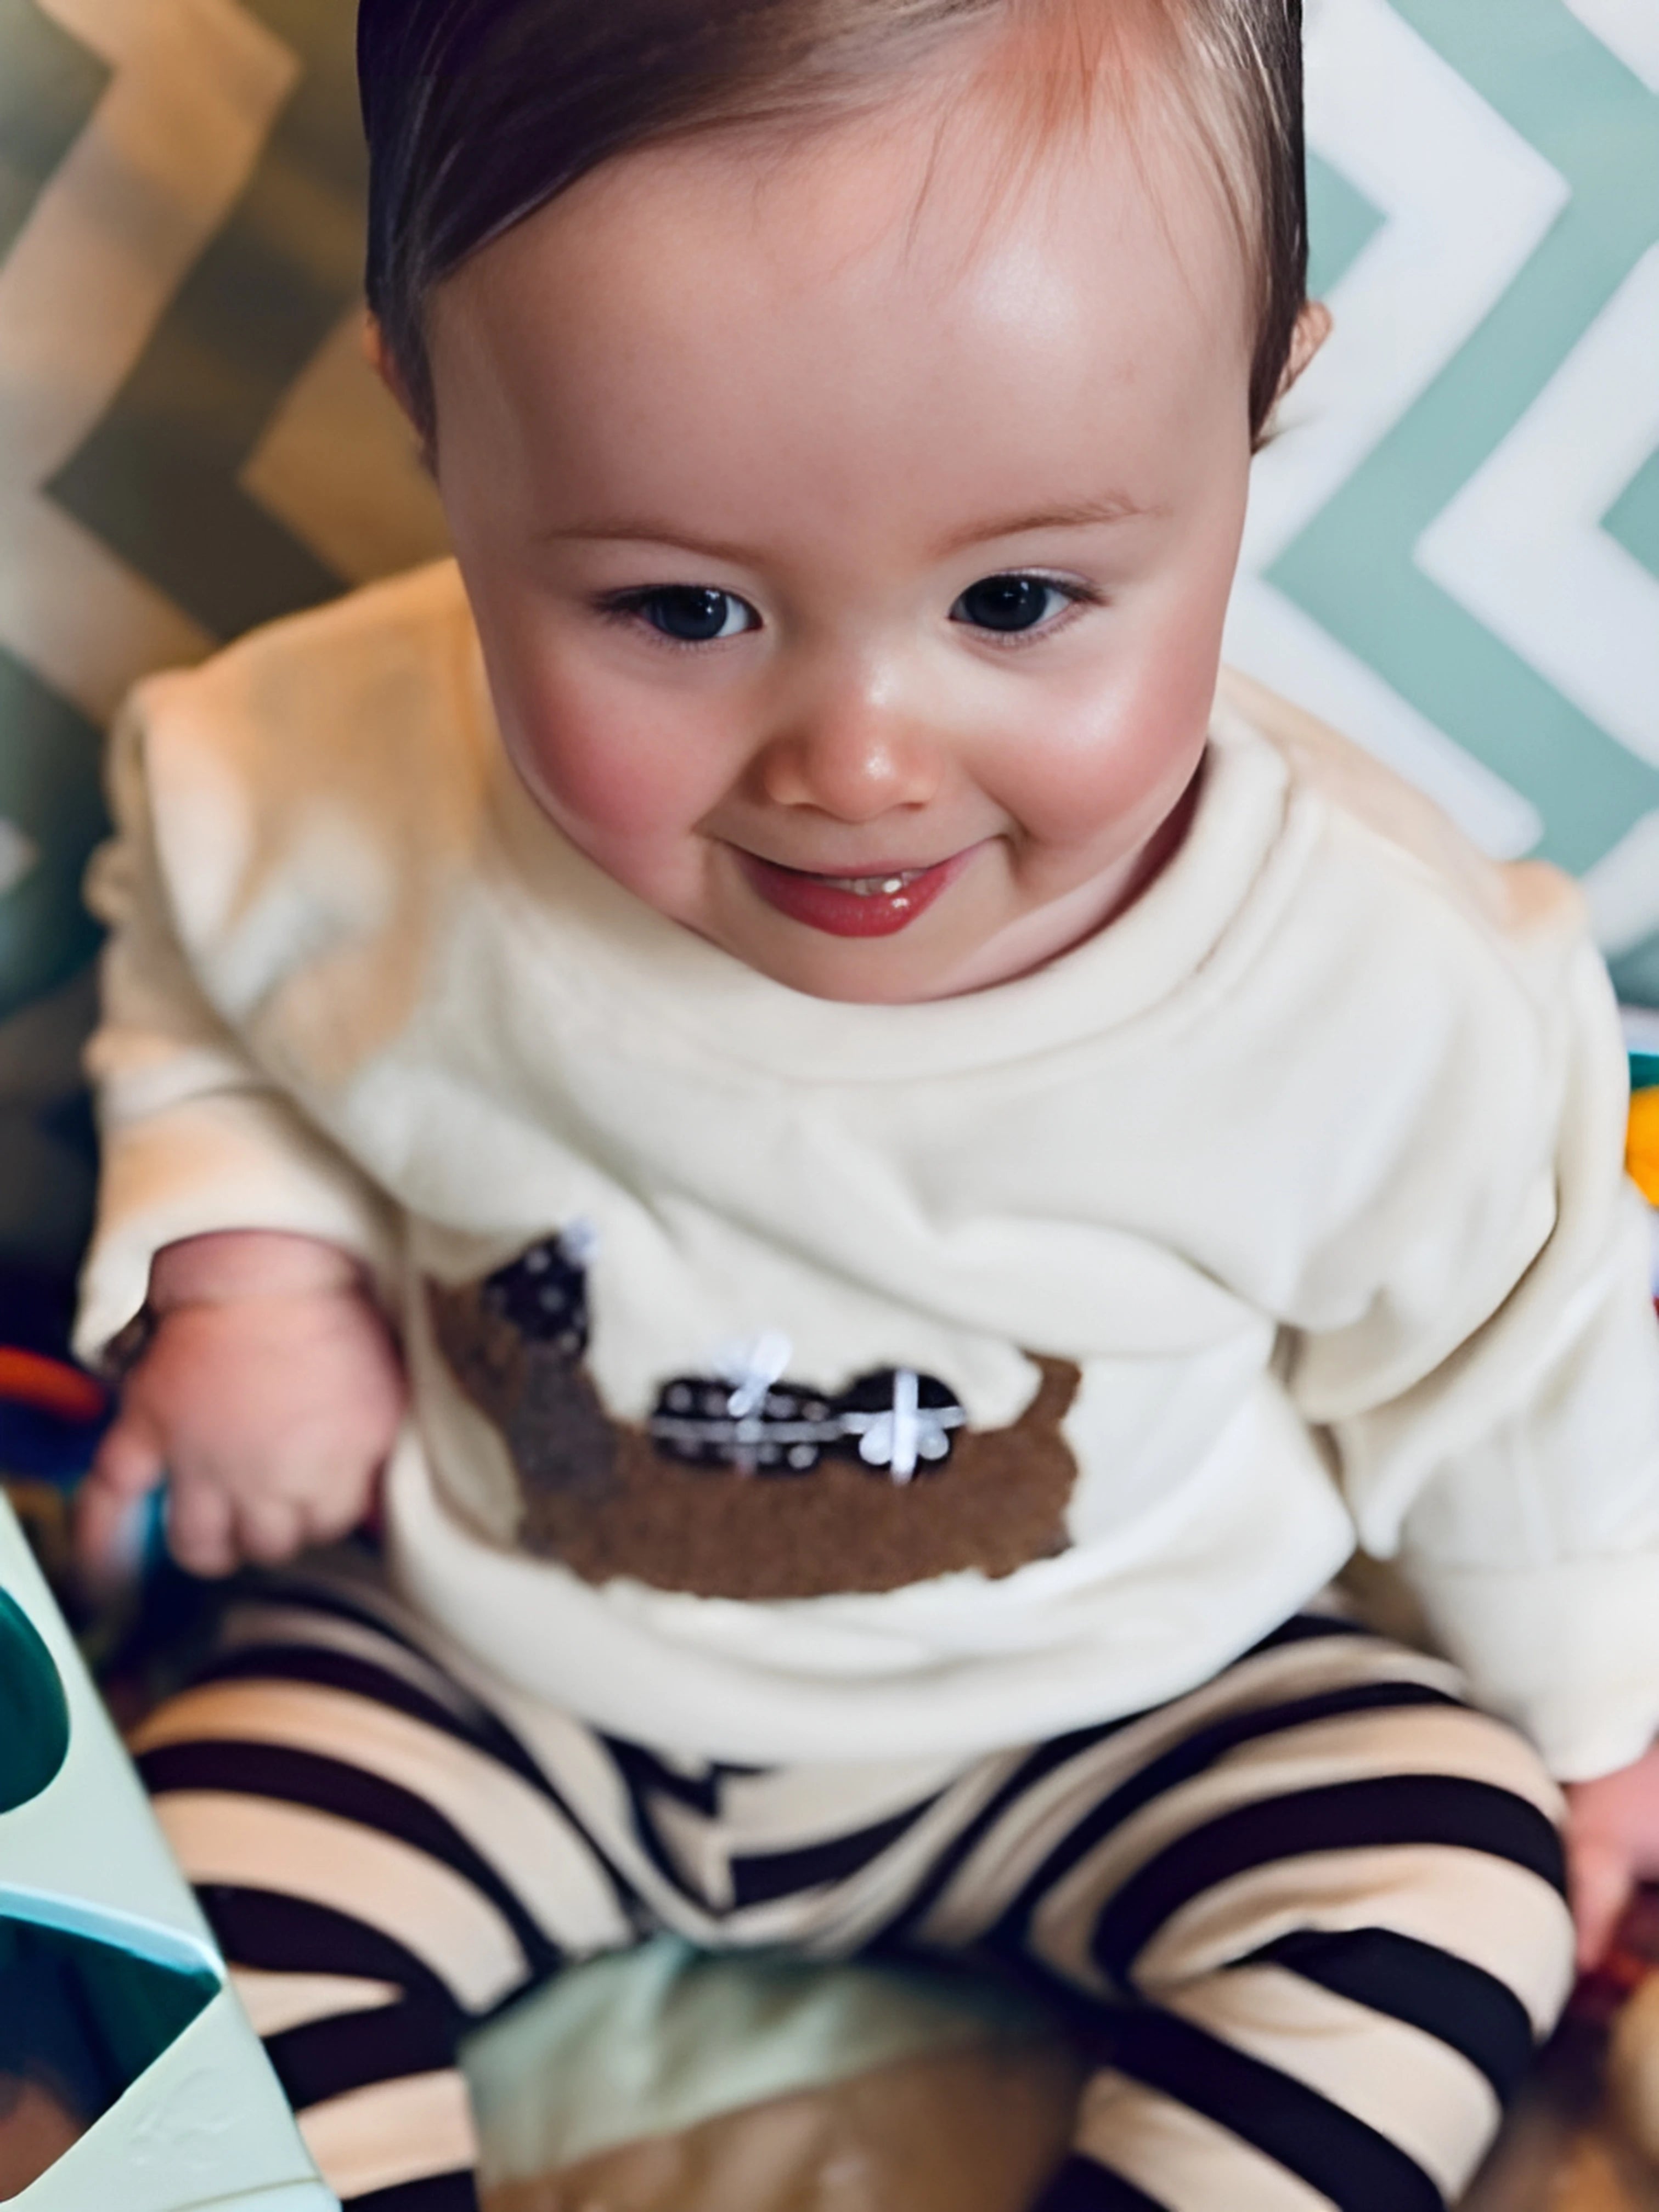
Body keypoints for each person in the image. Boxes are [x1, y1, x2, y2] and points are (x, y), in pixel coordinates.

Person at [69, 1, 1659, 2204]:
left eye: (1017, 599)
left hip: (1118, 1696)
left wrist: (1590, 1728)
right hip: (493, 1658)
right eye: (683, 606)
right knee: (155, 1890)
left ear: (1262, 406)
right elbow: (209, 976)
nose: (861, 760)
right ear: (437, 424)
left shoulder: (1388, 986)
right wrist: (252, 1268)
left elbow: (1516, 1377)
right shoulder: (332, 775)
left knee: (1437, 1877)